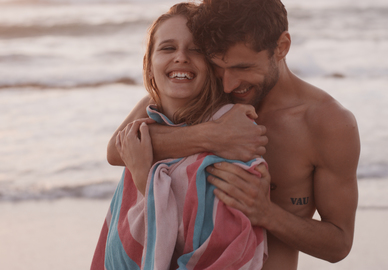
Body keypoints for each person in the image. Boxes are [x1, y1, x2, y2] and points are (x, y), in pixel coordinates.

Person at [106, 0, 360, 269]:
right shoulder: (200, 91)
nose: (228, 84)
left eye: (242, 68)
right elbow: (116, 149)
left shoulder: (327, 123)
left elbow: (339, 244)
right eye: (217, 65)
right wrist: (210, 136)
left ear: (282, 47)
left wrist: (267, 213)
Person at [92, 3, 267, 270]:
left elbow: (212, 255)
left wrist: (144, 179)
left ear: (213, 66)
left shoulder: (233, 144)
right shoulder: (146, 125)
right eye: (167, 48)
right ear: (149, 66)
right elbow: (113, 152)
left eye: (195, 49)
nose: (181, 57)